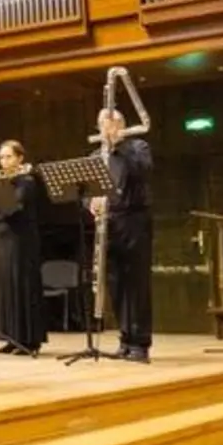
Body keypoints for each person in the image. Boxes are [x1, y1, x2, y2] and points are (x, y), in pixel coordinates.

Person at [93, 108, 154, 363]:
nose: (107, 128)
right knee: (116, 284)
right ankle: (125, 338)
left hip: (134, 220)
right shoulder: (97, 155)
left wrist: (119, 144)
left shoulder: (137, 147)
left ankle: (140, 343)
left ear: (122, 125)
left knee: (136, 283)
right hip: (109, 223)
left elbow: (143, 171)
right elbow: (87, 188)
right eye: (103, 124)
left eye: (112, 123)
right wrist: (90, 202)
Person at [0, 140, 47, 356]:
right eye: (2, 157)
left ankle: (29, 340)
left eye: (9, 157)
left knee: (21, 285)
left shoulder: (27, 181)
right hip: (3, 238)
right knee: (6, 287)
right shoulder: (6, 181)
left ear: (20, 158)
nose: (4, 161)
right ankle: (10, 338)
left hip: (22, 240)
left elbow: (14, 208)